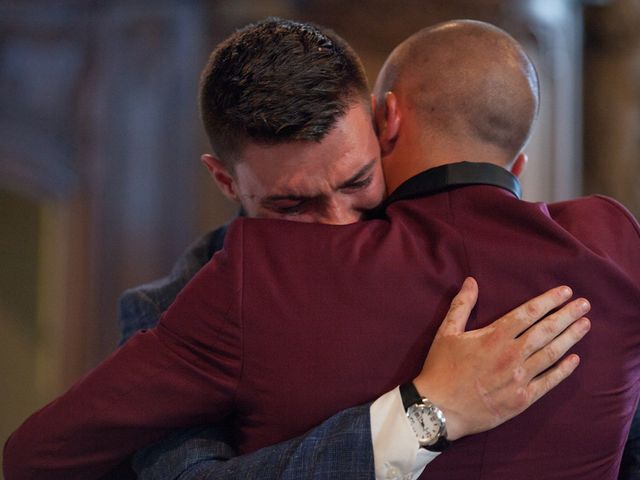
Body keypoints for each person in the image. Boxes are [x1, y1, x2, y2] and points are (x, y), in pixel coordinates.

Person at [3, 19, 616, 480]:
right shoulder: (175, 306)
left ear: (384, 125)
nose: (339, 225)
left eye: (356, 182)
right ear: (226, 181)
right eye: (291, 205)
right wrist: (422, 416)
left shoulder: (534, 260)